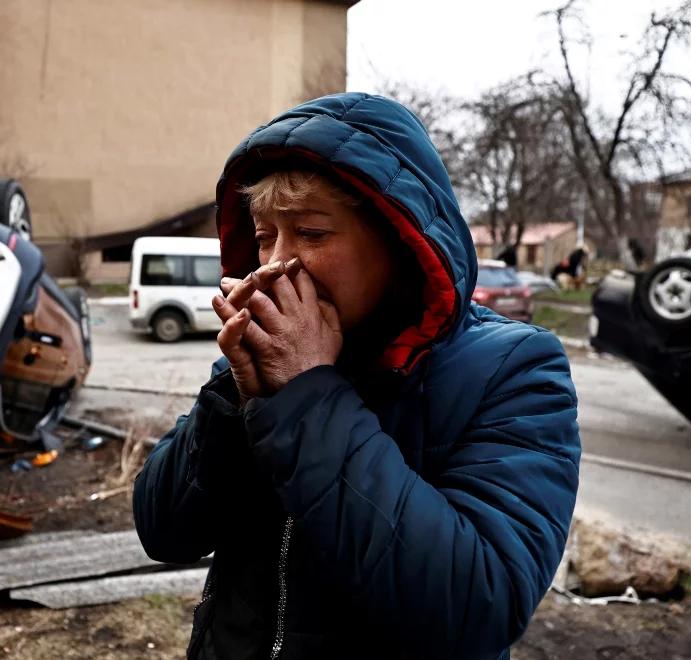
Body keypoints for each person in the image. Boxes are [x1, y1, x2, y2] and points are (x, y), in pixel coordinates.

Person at [133, 93, 580, 660]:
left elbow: (478, 605)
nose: (275, 264)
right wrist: (232, 401)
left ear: (401, 239)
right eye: (265, 234)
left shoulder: (513, 370)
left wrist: (305, 398)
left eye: (312, 233)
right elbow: (163, 531)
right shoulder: (266, 354)